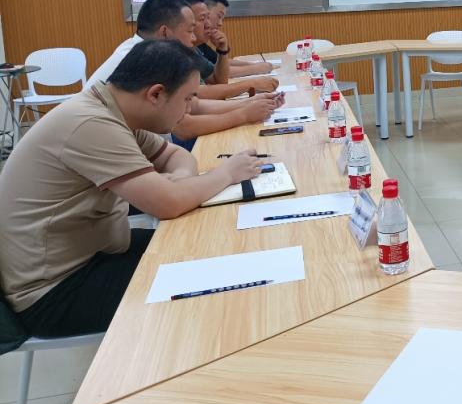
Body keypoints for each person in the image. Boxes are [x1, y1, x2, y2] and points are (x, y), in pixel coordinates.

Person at [0, 40, 267, 337]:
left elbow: (176, 156)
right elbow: (167, 204)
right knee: (212, 281)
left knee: (206, 245)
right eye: (187, 98)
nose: (189, 108)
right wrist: (226, 173)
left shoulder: (112, 110)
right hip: (55, 292)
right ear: (156, 94)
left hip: (94, 253)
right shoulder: (91, 123)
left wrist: (180, 179)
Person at [89, 0, 282, 140]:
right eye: (190, 30)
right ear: (165, 32)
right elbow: (184, 127)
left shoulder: (148, 50)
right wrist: (244, 114)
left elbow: (194, 105)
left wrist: (251, 103)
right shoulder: (144, 58)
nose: (193, 38)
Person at [196, 0, 274, 76]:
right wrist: (256, 69)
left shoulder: (200, 44)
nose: (220, 24)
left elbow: (219, 64)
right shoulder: (188, 47)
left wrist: (254, 65)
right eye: (219, 16)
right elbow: (217, 74)